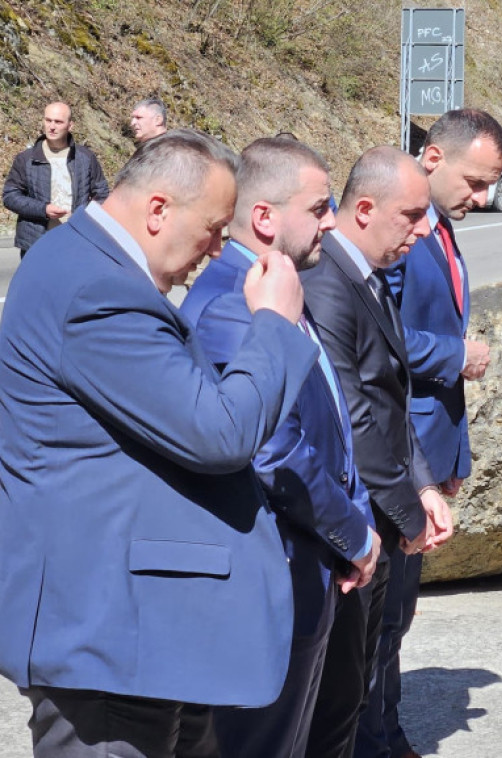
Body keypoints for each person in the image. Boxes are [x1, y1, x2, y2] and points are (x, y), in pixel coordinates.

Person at [0, 128, 318, 758]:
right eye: (213, 227)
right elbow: (220, 433)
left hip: (140, 628)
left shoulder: (94, 268)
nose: (218, 246)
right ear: (157, 210)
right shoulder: (98, 290)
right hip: (108, 634)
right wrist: (275, 326)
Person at [180, 137, 381, 758]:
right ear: (265, 217)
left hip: (308, 569)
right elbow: (273, 451)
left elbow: (326, 424)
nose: (331, 220)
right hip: (272, 579)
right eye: (319, 208)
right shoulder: (233, 307)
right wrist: (356, 534)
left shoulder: (274, 283)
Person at [361, 109, 502, 758]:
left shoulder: (440, 230)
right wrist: (453, 355)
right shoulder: (406, 234)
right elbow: (377, 336)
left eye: (491, 185)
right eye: (475, 182)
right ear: (433, 158)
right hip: (394, 457)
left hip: (427, 455)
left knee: (396, 619)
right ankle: (376, 741)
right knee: (380, 622)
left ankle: (385, 735)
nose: (484, 198)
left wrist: (454, 456)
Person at [302, 146, 454, 758]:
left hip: (384, 506)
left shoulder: (366, 273)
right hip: (352, 520)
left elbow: (393, 394)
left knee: (376, 654)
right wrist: (407, 514)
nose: (424, 229)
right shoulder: (327, 283)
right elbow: (354, 416)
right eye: (412, 215)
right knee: (340, 699)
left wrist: (423, 483)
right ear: (364, 209)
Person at [3, 101, 109, 258]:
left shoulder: (85, 158)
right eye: (48, 120)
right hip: (36, 242)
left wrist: (83, 216)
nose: (52, 126)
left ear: (70, 125)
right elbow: (10, 196)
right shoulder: (26, 158)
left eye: (58, 122)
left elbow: (102, 195)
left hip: (77, 240)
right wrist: (43, 209)